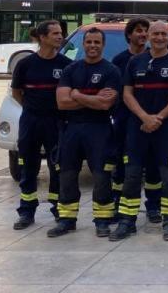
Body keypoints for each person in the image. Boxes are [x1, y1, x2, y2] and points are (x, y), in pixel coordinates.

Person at [112, 20, 168, 242]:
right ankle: (127, 221)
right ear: (148, 36)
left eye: (163, 34)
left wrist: (159, 117)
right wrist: (145, 117)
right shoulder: (135, 62)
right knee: (132, 175)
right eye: (155, 34)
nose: (159, 38)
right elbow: (127, 94)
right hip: (138, 128)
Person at [50, 27, 120, 238]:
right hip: (72, 129)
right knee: (68, 175)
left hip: (99, 129)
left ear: (103, 45)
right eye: (89, 42)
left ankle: (102, 220)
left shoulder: (111, 71)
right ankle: (67, 220)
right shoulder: (72, 69)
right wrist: (92, 99)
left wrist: (77, 94)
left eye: (97, 42)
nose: (92, 46)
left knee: (101, 176)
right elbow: (62, 102)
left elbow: (105, 105)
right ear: (83, 44)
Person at [10, 20, 72, 230]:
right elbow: (17, 92)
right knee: (28, 166)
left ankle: (57, 208)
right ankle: (26, 211)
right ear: (42, 37)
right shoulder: (25, 64)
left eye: (60, 33)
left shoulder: (65, 64)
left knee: (57, 167)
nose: (59, 36)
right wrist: (31, 108)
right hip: (31, 120)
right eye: (55, 33)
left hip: (56, 121)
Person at [111, 19, 163, 224]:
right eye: (138, 31)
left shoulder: (156, 58)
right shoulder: (119, 60)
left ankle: (153, 207)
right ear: (129, 35)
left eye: (145, 31)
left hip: (154, 120)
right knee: (123, 165)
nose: (142, 34)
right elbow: (118, 92)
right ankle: (119, 204)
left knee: (153, 165)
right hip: (126, 120)